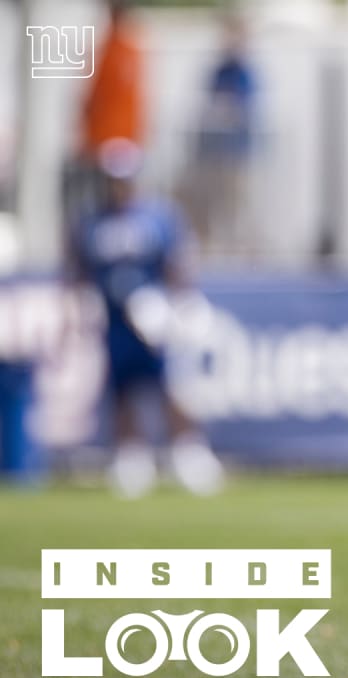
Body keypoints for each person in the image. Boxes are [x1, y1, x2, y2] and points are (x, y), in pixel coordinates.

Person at [65, 138, 223, 498]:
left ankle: (188, 452)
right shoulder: (90, 221)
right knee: (122, 389)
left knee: (169, 385)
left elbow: (177, 263)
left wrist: (179, 305)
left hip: (155, 316)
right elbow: (79, 268)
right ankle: (129, 456)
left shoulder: (158, 216)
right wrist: (80, 302)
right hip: (115, 319)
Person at [180, 13, 259, 261]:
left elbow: (245, 110)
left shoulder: (246, 73)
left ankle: (238, 249)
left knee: (237, 205)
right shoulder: (218, 71)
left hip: (237, 154)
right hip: (214, 154)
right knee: (211, 204)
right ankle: (212, 248)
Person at [65, 0, 147, 230]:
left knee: (115, 199)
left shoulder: (123, 49)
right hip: (104, 141)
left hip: (114, 141)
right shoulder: (112, 48)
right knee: (100, 201)